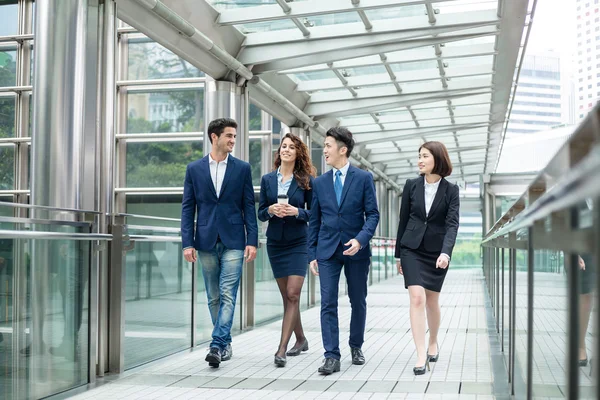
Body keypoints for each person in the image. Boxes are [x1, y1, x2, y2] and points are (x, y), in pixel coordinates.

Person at [181, 117, 258, 368]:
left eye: (234, 136)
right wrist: (187, 243)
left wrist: (252, 240)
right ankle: (225, 342)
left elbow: (249, 206)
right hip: (204, 240)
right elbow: (187, 208)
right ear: (214, 137)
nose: (233, 140)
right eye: (229, 136)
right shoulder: (194, 169)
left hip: (234, 240)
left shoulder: (242, 168)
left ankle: (216, 344)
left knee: (227, 293)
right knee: (213, 296)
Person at [308, 127, 379, 375]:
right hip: (327, 250)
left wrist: (360, 240)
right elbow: (314, 220)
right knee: (328, 302)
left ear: (343, 149)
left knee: (357, 300)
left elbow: (373, 214)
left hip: (356, 250)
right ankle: (331, 355)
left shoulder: (363, 178)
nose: (324, 150)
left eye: (328, 145)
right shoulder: (318, 183)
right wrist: (312, 254)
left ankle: (356, 346)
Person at [394, 141, 460, 375]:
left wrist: (446, 252)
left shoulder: (451, 190)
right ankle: (421, 354)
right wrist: (399, 256)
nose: (420, 160)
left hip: (436, 252)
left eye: (425, 156)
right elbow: (403, 220)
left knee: (432, 300)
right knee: (417, 298)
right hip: (411, 248)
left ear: (437, 160)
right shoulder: (411, 185)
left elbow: (452, 224)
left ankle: (433, 340)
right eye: (419, 156)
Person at [258, 133, 315, 367]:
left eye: (292, 147)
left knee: (293, 294)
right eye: (283, 146)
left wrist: (297, 212)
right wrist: (271, 209)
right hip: (276, 243)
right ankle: (301, 339)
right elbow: (260, 212)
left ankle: (281, 349)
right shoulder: (267, 179)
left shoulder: (306, 180)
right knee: (288, 297)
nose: (286, 150)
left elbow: (315, 213)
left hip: (298, 242)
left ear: (297, 153)